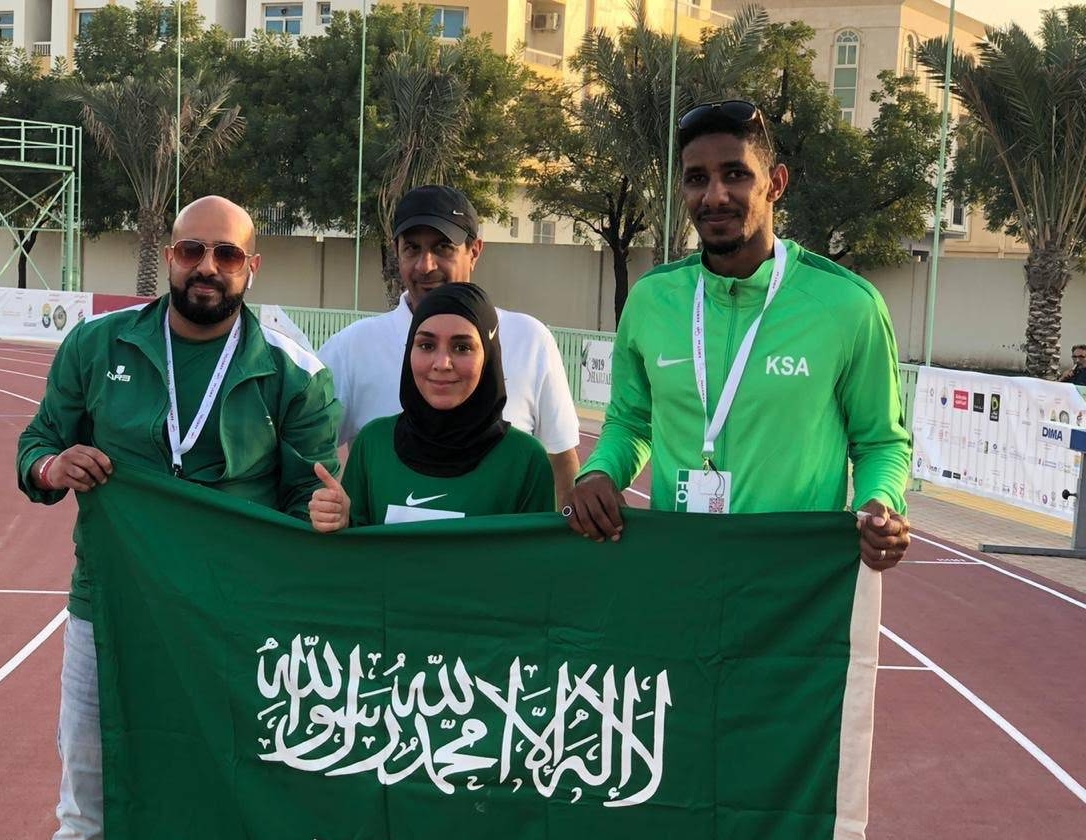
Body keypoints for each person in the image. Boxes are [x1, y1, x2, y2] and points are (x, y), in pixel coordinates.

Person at [15, 196, 340, 840]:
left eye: (227, 256)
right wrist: (53, 466)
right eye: (192, 250)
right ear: (167, 256)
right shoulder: (97, 346)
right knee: (88, 814)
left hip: (236, 629)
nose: (207, 268)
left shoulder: (294, 377)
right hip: (112, 615)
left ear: (251, 268)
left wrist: (327, 513)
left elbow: (306, 505)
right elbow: (36, 445)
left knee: (230, 808)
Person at [565, 100, 911, 571]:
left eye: (736, 175)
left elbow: (880, 442)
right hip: (680, 570)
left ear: (775, 184)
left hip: (794, 582)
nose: (714, 196)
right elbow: (629, 422)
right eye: (696, 179)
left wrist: (879, 502)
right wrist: (601, 472)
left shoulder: (848, 305)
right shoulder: (652, 301)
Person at [317, 185, 581, 506]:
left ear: (475, 251)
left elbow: (562, 465)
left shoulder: (531, 340)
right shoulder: (351, 348)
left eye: (443, 247)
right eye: (412, 249)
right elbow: (307, 454)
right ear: (396, 252)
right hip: (388, 558)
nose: (425, 266)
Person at [309, 282, 554, 529]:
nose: (442, 363)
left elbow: (532, 562)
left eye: (462, 347)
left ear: (488, 356)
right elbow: (355, 550)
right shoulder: (372, 444)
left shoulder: (525, 460)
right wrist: (340, 519)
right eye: (426, 345)